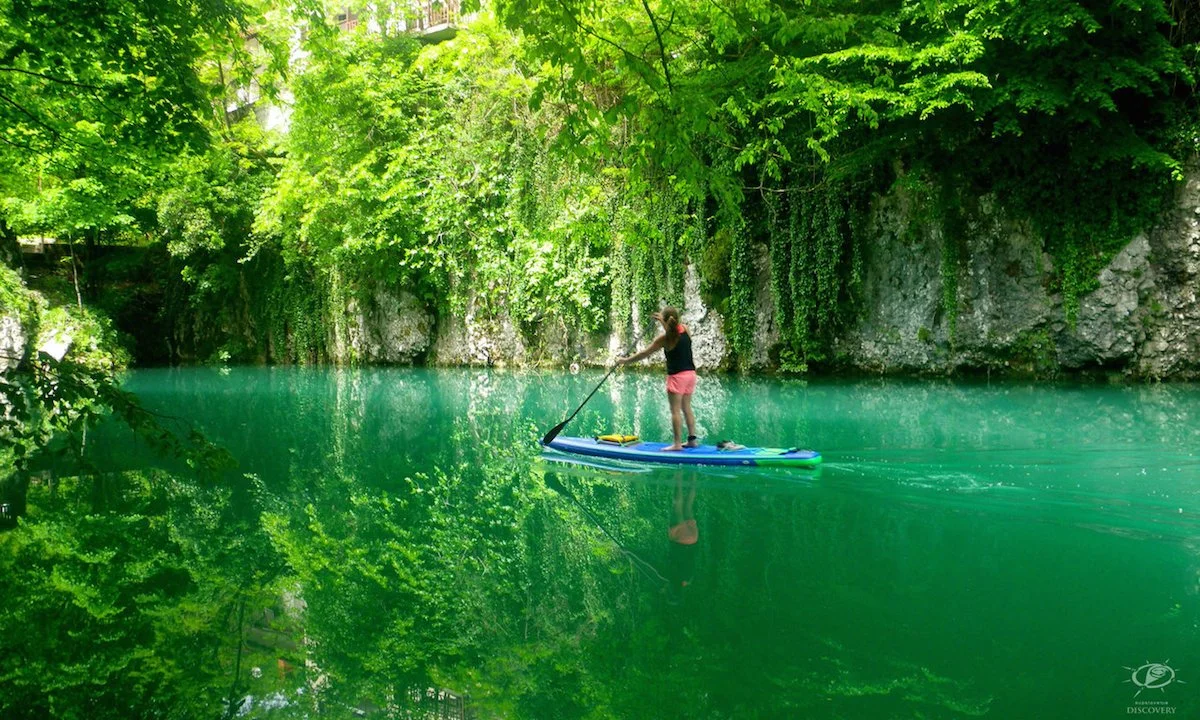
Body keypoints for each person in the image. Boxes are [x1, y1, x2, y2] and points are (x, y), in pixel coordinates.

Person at [618, 306, 698, 451]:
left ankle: (677, 444)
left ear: (664, 320)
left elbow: (644, 353)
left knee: (675, 411)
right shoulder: (685, 329)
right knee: (687, 408)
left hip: (677, 377)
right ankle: (692, 440)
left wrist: (625, 361)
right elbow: (675, 331)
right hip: (691, 375)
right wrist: (663, 321)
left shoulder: (664, 339)